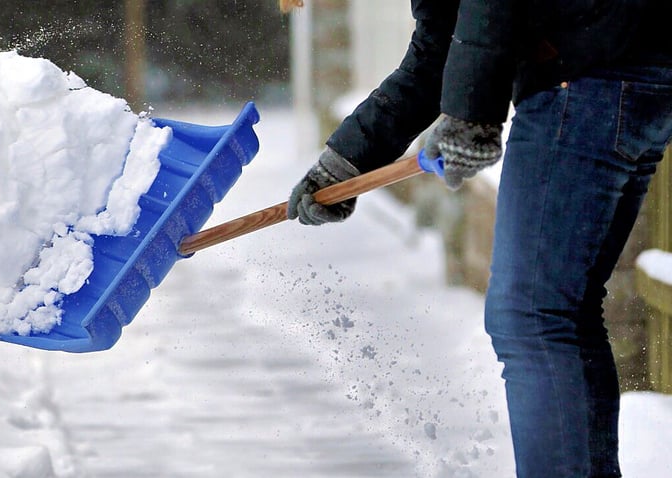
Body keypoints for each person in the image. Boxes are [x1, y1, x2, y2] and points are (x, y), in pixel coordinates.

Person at [284, 1, 672, 476]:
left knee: (532, 316)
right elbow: (444, 44)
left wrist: (472, 116)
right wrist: (345, 160)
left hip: (589, 70)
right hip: (620, 64)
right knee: (559, 314)